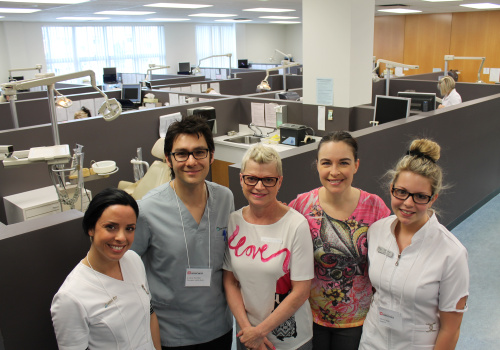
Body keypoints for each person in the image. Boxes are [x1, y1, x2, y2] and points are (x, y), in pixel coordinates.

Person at [132, 115, 234, 349]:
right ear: (168, 159)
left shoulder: (225, 198)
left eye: (200, 152)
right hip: (172, 332)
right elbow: (129, 268)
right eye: (182, 154)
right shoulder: (147, 210)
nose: (192, 161)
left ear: (211, 156)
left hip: (219, 325)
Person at [359, 139, 469, 350]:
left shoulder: (451, 253)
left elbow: (451, 329)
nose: (408, 203)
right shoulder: (377, 231)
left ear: (433, 198)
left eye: (420, 196)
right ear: (391, 189)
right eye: (401, 192)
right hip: (372, 342)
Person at [289, 131, 391, 350]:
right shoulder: (301, 205)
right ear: (317, 165)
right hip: (310, 315)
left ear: (356, 165)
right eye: (326, 163)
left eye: (343, 163)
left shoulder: (375, 207)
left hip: (358, 319)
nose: (334, 172)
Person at [223, 144, 314, 350]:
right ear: (241, 179)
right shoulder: (233, 222)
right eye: (252, 178)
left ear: (279, 181)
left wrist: (260, 332)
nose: (259, 186)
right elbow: (230, 282)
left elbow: (301, 291)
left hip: (291, 340)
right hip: (246, 335)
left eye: (268, 180)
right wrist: (249, 332)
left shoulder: (296, 225)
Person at [51, 188, 161, 350]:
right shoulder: (70, 297)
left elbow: (150, 315)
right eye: (111, 227)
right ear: (91, 228)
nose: (121, 237)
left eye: (129, 228)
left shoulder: (133, 260)